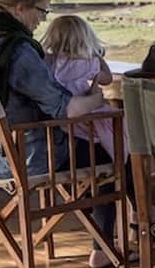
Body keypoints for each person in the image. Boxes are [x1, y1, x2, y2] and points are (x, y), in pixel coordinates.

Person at [0, 0, 117, 268]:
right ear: (21, 8)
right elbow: (65, 109)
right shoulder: (18, 51)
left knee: (83, 150)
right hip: (30, 158)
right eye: (42, 11)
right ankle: (103, 248)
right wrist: (98, 98)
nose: (42, 19)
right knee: (106, 157)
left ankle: (94, 223)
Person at [41, 15, 121, 164]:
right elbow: (107, 79)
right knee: (120, 121)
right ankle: (123, 161)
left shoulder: (47, 62)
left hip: (59, 119)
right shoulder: (85, 64)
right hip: (84, 113)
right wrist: (98, 58)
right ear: (84, 39)